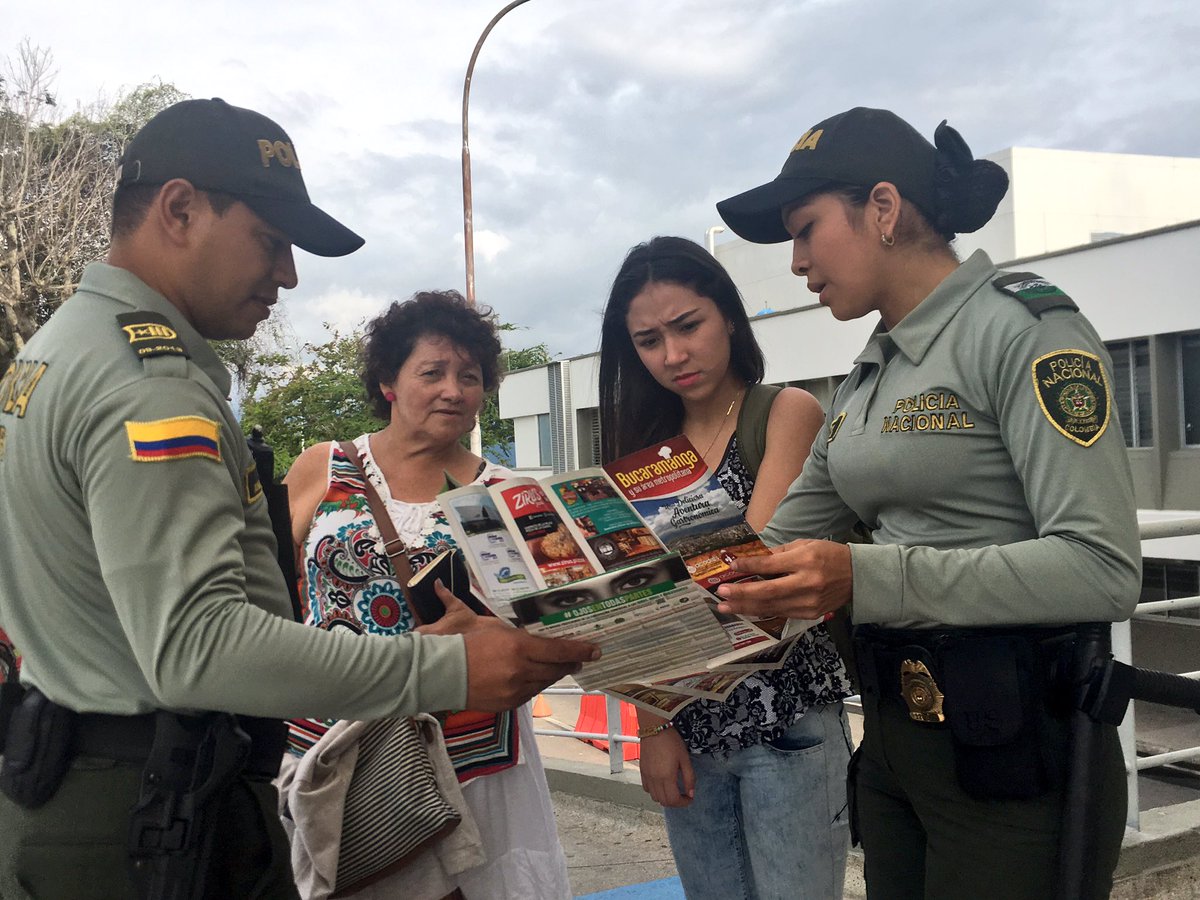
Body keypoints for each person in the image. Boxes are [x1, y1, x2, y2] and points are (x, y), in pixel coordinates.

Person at [0, 98, 596, 900]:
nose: (288, 274)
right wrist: (445, 668)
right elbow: (199, 646)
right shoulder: (150, 387)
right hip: (149, 814)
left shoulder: (54, 355)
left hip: (78, 781)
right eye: (271, 241)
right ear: (179, 209)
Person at [712, 106, 1141, 899]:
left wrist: (865, 578)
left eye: (806, 230)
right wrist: (607, 606)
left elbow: (1102, 566)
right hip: (899, 747)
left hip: (1013, 753)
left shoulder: (1024, 331)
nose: (798, 261)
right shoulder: (871, 373)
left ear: (882, 208)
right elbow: (766, 548)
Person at [282, 290, 572, 899]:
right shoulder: (323, 468)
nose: (454, 390)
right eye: (432, 372)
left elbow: (555, 629)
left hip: (477, 762)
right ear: (389, 380)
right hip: (342, 750)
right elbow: (263, 593)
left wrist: (494, 639)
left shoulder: (505, 493)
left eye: (470, 376)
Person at [598, 235, 854, 900]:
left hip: (786, 720)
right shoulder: (638, 453)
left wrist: (648, 600)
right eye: (649, 341)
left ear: (729, 319)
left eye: (688, 326)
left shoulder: (783, 412)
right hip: (688, 727)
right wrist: (653, 727)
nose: (673, 355)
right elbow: (626, 615)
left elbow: (750, 579)